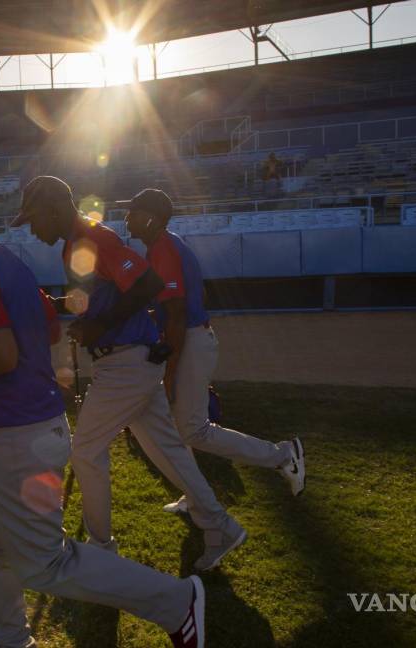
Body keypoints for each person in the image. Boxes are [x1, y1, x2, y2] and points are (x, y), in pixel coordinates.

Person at [0, 169, 207, 648]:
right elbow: (48, 327)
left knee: (46, 563)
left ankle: (175, 600)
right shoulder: (0, 258)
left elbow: (0, 355)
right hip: (14, 430)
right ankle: (11, 641)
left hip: (16, 435)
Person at [13, 175, 246, 572]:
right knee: (169, 451)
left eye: (34, 219)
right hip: (126, 363)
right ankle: (220, 525)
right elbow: (103, 295)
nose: (33, 229)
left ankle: (101, 550)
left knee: (85, 452)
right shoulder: (75, 242)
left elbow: (146, 284)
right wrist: (55, 304)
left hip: (125, 363)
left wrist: (100, 327)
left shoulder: (95, 237)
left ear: (54, 209)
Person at [123, 189, 306, 515]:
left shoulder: (164, 248)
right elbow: (196, 295)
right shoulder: (165, 245)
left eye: (133, 211)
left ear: (150, 217)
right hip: (192, 338)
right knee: (179, 426)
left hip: (189, 341)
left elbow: (178, 313)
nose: (126, 217)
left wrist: (170, 370)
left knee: (193, 429)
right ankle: (194, 495)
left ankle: (282, 455)